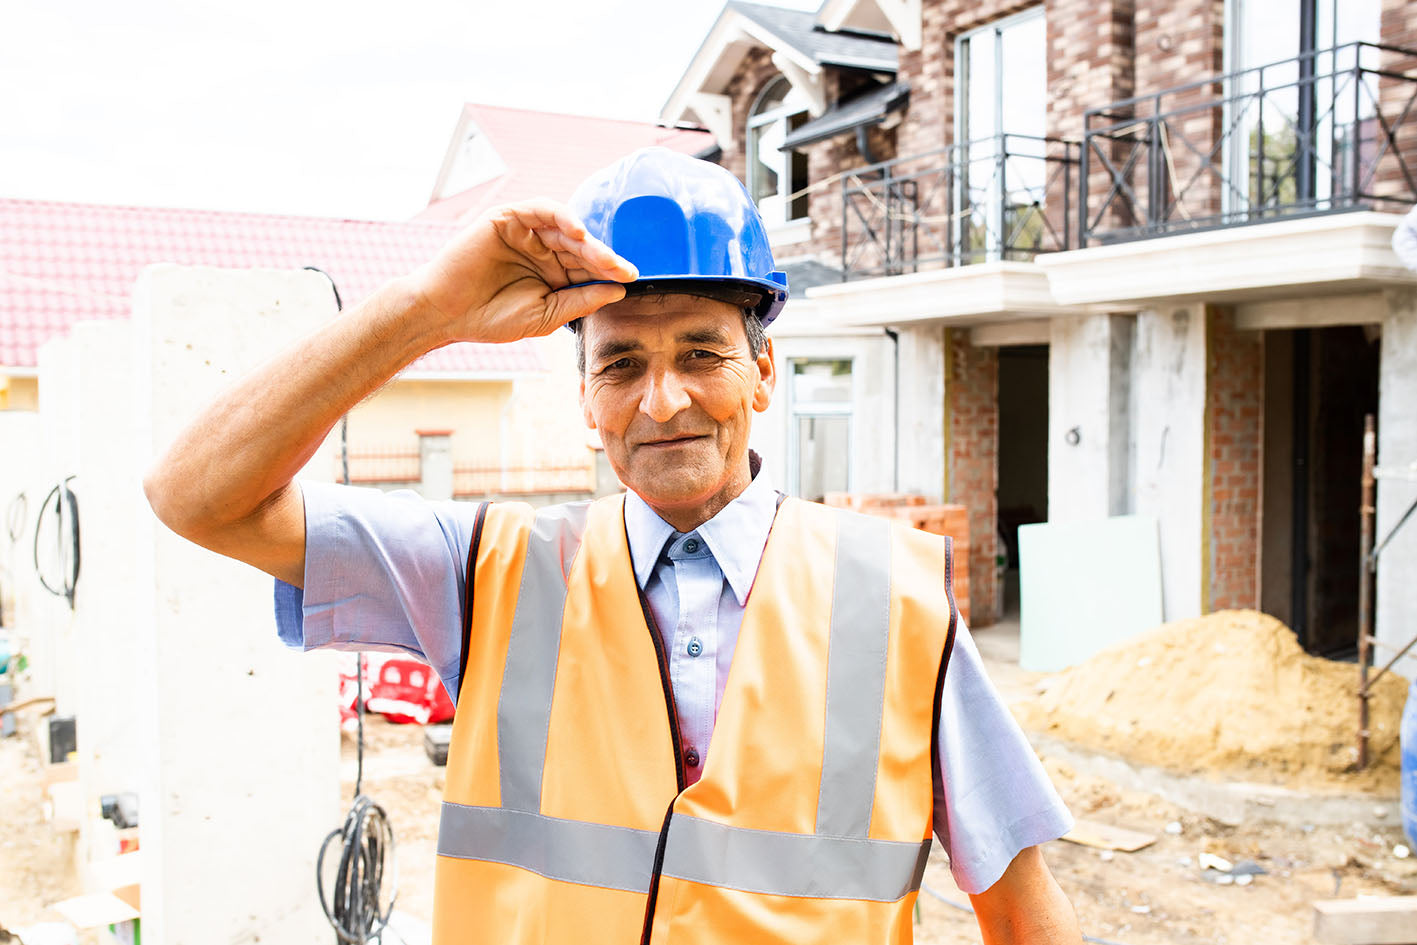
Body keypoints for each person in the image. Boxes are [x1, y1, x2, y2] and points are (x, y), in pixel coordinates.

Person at [145, 147, 1081, 944]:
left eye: (701, 354)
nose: (662, 401)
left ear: (762, 371)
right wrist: (429, 309)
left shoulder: (896, 599)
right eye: (622, 364)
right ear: (585, 403)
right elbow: (194, 495)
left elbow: (1020, 904)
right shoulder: (482, 570)